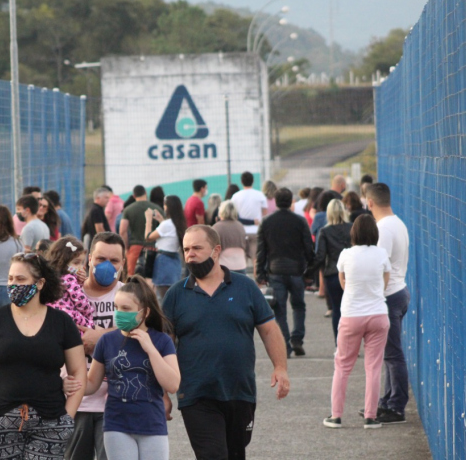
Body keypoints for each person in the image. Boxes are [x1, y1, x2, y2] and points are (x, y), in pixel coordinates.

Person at [162, 225, 290, 459]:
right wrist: (162, 394)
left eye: (197, 248)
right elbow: (164, 346)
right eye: (186, 249)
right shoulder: (175, 295)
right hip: (195, 394)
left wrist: (280, 367)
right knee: (213, 455)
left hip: (239, 392)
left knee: (235, 453)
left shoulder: (245, 287)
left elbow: (270, 330)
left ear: (216, 250)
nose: (190, 254)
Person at [0, 253, 87, 460]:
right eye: (10, 279)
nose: (13, 284)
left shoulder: (62, 322)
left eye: (21, 279)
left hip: (51, 423)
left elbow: (78, 371)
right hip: (2, 425)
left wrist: (68, 418)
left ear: (40, 283)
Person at [85, 277, 179, 460]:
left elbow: (173, 384)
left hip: (152, 424)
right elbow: (91, 384)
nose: (119, 313)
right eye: (116, 307)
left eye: (126, 309)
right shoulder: (107, 340)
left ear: (145, 312)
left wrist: (150, 349)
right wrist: (66, 381)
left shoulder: (162, 341)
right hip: (117, 424)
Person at [323, 214, 391, 429]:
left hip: (351, 315)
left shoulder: (345, 255)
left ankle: (336, 416)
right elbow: (384, 285)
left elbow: (344, 283)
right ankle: (370, 416)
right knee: (373, 367)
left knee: (342, 365)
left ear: (354, 233)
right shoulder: (381, 254)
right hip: (378, 315)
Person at [66, 232, 127, 460]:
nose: (106, 266)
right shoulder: (69, 295)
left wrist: (100, 337)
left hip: (114, 403)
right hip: (74, 401)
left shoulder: (129, 296)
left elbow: (142, 332)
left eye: (114, 260)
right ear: (89, 259)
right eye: (100, 259)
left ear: (123, 263)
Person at [366, 183, 411, 425]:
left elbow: (377, 266)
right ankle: (386, 401)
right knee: (389, 353)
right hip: (399, 290)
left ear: (370, 202)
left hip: (389, 296)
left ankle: (396, 407)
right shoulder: (399, 223)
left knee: (393, 355)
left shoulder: (382, 229)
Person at [256, 188, 315, 357]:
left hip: (275, 271)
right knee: (298, 306)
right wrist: (310, 269)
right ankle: (297, 339)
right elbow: (308, 247)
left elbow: (262, 250)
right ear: (291, 202)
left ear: (275, 201)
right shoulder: (300, 221)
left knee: (279, 309)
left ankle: (286, 346)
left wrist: (260, 273)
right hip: (296, 271)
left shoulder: (267, 222)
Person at [314, 199, 353, 342]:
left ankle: (340, 344)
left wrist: (307, 273)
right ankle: (353, 344)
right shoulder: (352, 227)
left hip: (332, 274)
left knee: (337, 309)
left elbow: (320, 256)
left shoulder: (325, 231)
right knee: (352, 310)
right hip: (351, 274)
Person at [46, 236, 95, 331]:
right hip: (71, 317)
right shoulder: (69, 278)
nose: (80, 267)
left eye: (82, 263)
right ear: (63, 262)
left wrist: (79, 282)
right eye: (76, 263)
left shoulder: (53, 278)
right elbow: (81, 303)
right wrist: (89, 313)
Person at [143, 195, 187, 300]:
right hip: (175, 261)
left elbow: (148, 237)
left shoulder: (166, 224)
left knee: (163, 297)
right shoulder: (179, 223)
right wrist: (160, 220)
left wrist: (148, 219)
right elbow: (168, 233)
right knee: (173, 295)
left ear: (167, 207)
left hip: (163, 261)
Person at [119, 186, 163, 277]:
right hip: (153, 247)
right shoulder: (157, 208)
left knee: (132, 277)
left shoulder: (128, 209)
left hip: (135, 247)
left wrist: (126, 248)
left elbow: (123, 231)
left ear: (134, 196)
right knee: (152, 277)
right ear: (145, 193)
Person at [231, 172, 268, 271]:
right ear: (253, 181)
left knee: (242, 259)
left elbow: (234, 215)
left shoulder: (235, 196)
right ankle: (258, 283)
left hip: (241, 231)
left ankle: (243, 282)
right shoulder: (260, 195)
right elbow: (265, 213)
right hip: (256, 231)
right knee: (256, 259)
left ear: (241, 182)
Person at [212, 200, 248, 274]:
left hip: (223, 266)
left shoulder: (216, 227)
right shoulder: (240, 226)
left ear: (221, 212)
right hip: (241, 265)